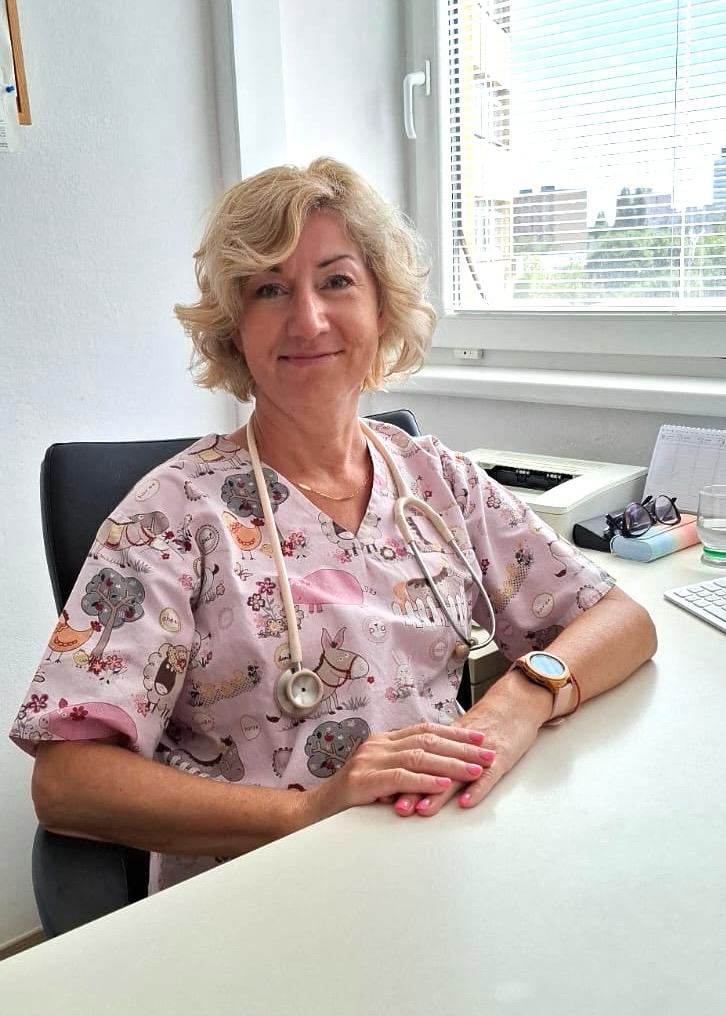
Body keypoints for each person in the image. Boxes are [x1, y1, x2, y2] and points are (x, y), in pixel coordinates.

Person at [11, 157, 656, 893]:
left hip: (447, 861)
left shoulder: (433, 478)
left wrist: (521, 699)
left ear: (382, 307)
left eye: (337, 281)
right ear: (234, 330)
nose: (309, 319)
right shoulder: (170, 515)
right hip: (259, 890)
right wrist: (307, 811)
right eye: (269, 290)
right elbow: (66, 784)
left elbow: (622, 619)